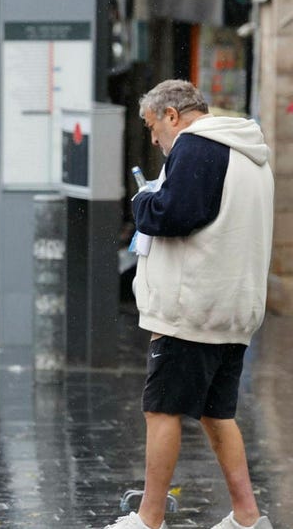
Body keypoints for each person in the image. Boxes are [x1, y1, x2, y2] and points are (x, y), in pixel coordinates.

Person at [104, 80, 274, 529]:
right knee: (217, 414)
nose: (156, 141)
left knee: (161, 410)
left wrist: (144, 201)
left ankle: (148, 519)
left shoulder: (197, 148)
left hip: (192, 308)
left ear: (171, 115)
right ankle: (247, 517)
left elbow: (174, 215)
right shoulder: (248, 152)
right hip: (233, 308)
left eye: (153, 127)